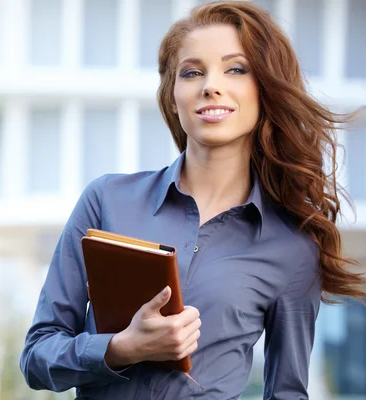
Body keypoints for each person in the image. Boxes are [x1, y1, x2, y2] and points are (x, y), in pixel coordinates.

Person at [19, 1, 366, 399]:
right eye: (192, 72)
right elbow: (37, 356)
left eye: (235, 69)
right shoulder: (106, 201)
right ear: (171, 96)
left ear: (264, 92)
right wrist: (120, 348)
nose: (211, 85)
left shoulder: (291, 247)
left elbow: (288, 392)